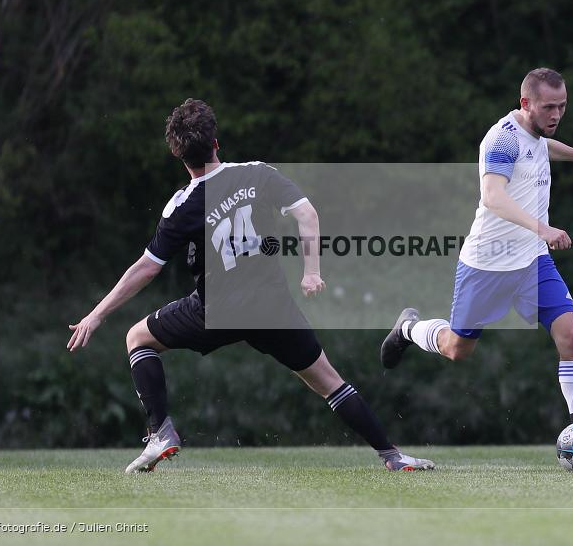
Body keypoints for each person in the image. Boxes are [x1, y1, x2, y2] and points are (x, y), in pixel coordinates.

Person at [67, 98, 433, 473]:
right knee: (329, 383)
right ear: (216, 143)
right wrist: (311, 271)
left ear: (179, 156)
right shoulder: (257, 174)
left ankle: (160, 432)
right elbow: (307, 214)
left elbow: (146, 268)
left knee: (137, 338)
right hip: (271, 308)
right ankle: (391, 455)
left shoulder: (182, 207)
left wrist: (97, 315)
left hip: (216, 313)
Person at [380, 68, 573, 462]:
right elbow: (493, 196)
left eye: (562, 106)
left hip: (532, 261)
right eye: (549, 107)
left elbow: (545, 147)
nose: (556, 114)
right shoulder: (502, 139)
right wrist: (543, 228)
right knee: (457, 349)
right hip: (487, 264)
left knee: (572, 335)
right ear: (526, 103)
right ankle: (408, 328)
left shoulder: (536, 134)